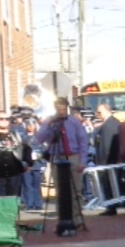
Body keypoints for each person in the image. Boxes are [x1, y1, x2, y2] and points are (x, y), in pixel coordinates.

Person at [35, 98, 90, 235]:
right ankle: (62, 221)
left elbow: (83, 140)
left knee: (76, 191)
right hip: (57, 158)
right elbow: (39, 138)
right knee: (61, 192)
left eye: (64, 109)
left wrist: (82, 161)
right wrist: (49, 125)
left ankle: (77, 220)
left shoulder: (74, 122)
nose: (62, 112)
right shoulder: (50, 121)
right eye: (59, 109)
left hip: (73, 157)